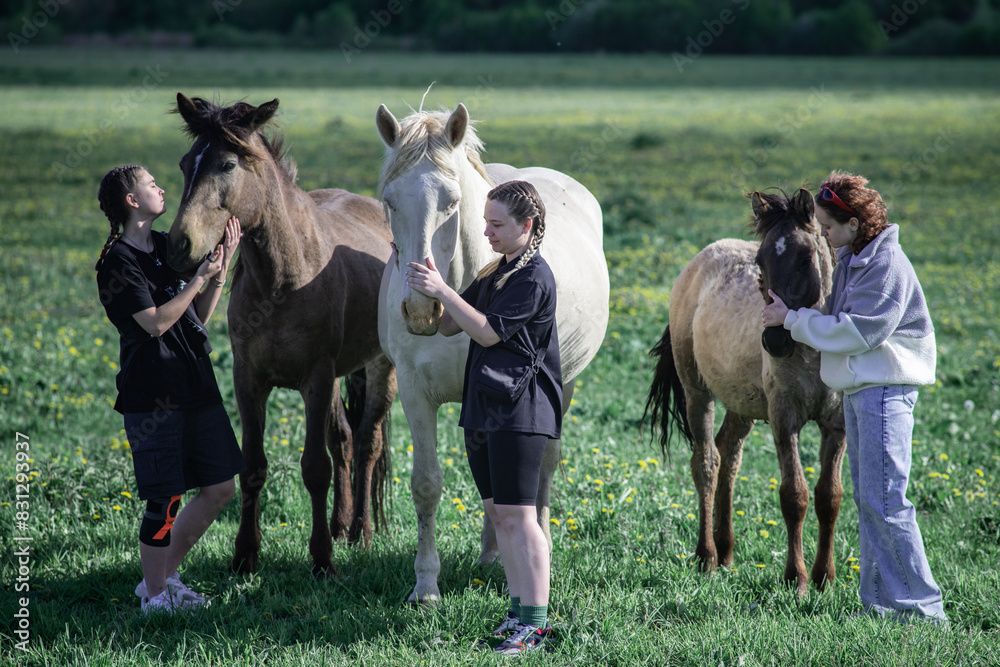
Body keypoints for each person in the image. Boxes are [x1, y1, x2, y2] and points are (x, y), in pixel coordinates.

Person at [762, 171, 947, 624]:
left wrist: (791, 321)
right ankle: (881, 604)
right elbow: (837, 314)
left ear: (854, 221)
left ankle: (923, 610)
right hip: (863, 389)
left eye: (828, 227)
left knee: (887, 502)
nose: (823, 235)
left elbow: (857, 331)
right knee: (870, 501)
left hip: (884, 390)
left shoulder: (887, 266)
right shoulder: (853, 258)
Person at [404, 180, 561, 654]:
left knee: (519, 516)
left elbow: (489, 333)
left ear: (526, 226)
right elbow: (450, 323)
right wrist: (431, 282)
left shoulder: (535, 277)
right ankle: (517, 614)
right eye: (485, 222)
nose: (487, 232)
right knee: (498, 513)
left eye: (497, 224)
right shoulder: (497, 272)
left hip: (522, 410)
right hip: (486, 407)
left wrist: (443, 291)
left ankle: (535, 625)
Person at [95, 164, 245, 615]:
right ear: (131, 201)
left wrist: (218, 272)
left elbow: (194, 317)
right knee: (165, 499)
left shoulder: (164, 246)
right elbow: (157, 323)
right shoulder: (116, 265)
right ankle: (157, 598)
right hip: (152, 396)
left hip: (195, 383)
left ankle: (159, 580)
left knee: (221, 488)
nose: (161, 188)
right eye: (150, 184)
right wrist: (198, 277)